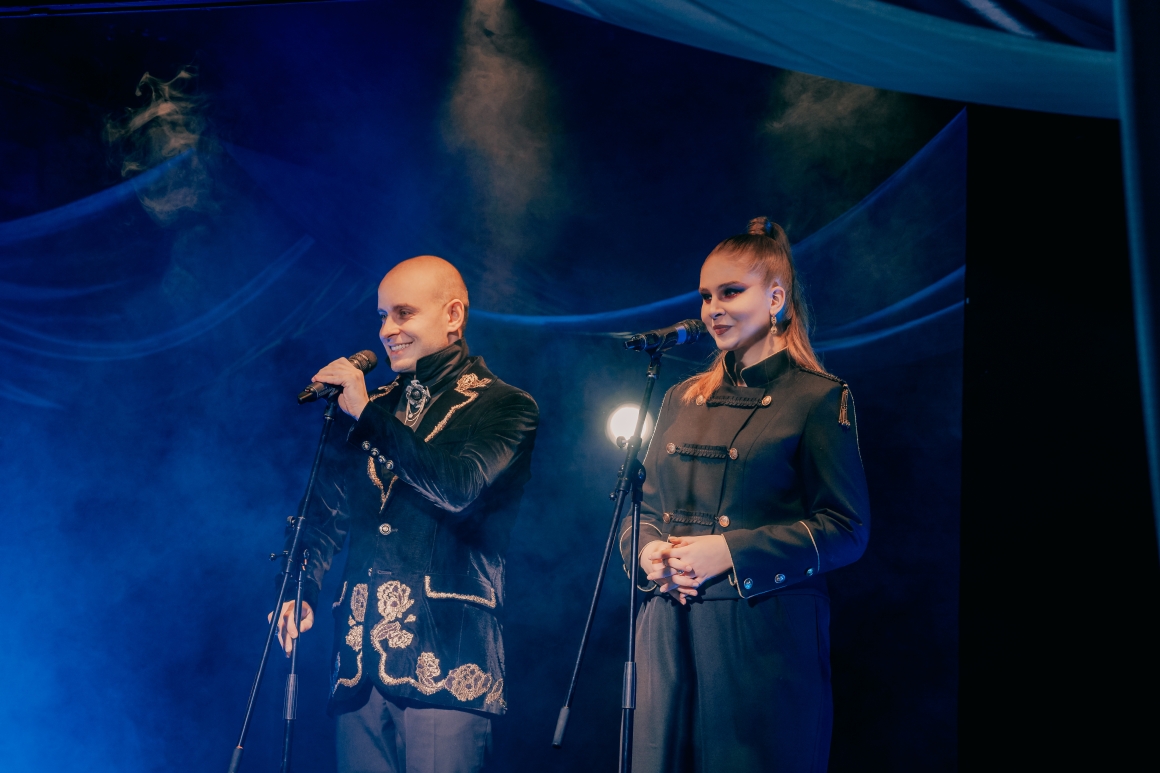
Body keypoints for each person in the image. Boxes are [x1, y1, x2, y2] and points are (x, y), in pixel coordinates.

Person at [620, 218, 870, 773]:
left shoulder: (817, 398)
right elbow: (642, 509)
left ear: (776, 298)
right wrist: (648, 552)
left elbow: (847, 529)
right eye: (706, 296)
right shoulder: (681, 396)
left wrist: (730, 551)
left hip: (760, 636)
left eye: (731, 292)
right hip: (667, 627)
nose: (713, 309)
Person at [271, 255, 538, 773]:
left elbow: (458, 486)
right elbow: (325, 510)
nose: (386, 330)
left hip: (447, 653)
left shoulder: (505, 405)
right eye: (382, 316)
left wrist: (366, 415)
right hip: (358, 661)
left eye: (403, 313)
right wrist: (298, 588)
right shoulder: (369, 405)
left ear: (453, 315)